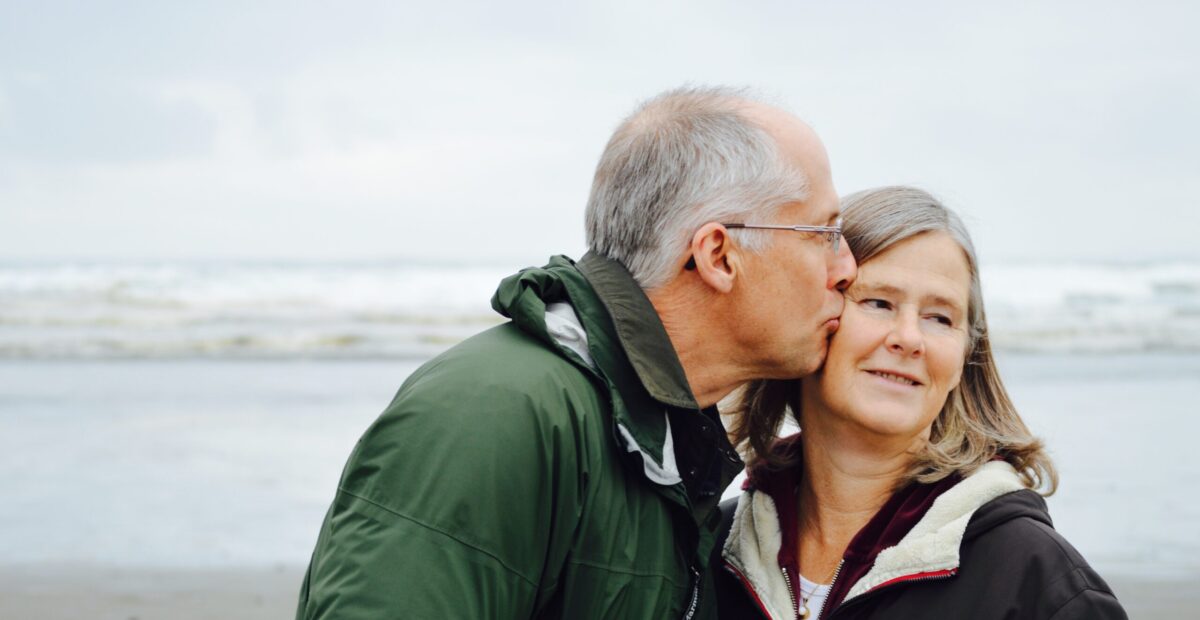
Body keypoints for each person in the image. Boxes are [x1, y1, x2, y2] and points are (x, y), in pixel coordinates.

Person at [295, 86, 857, 619]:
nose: (846, 268)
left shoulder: (657, 437)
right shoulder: (493, 415)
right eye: (824, 234)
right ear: (718, 254)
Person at [714, 186, 1127, 619]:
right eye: (878, 302)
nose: (909, 339)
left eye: (940, 318)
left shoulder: (1037, 579)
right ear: (813, 317)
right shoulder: (713, 550)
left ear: (966, 356)